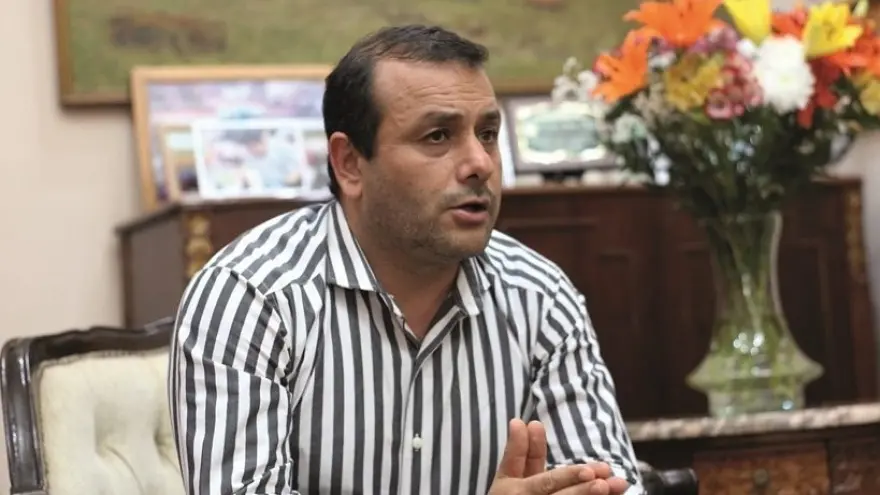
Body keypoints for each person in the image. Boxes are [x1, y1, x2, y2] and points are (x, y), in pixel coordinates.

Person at [169, 24, 643, 495]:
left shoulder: (540, 297)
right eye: (437, 136)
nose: (481, 164)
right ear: (349, 163)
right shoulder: (251, 297)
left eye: (488, 133)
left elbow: (611, 481)